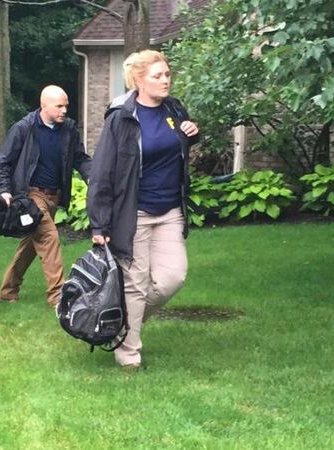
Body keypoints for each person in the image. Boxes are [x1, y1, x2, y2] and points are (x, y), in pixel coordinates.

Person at [86, 50, 200, 370]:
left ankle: (117, 323)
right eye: (157, 76)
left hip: (170, 211)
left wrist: (192, 133)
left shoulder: (174, 109)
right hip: (133, 214)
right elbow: (102, 171)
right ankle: (129, 354)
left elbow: (177, 144)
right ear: (138, 80)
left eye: (167, 74)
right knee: (134, 285)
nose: (166, 80)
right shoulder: (121, 117)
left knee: (172, 278)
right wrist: (99, 224)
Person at [0, 85, 91, 308]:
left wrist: (92, 176)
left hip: (53, 196)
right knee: (49, 237)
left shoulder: (68, 129)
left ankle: (8, 290)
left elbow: (80, 158)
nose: (64, 110)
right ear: (43, 106)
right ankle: (58, 296)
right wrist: (5, 189)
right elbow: (4, 162)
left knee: (30, 244)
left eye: (66, 106)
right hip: (30, 195)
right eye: (59, 106)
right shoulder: (24, 128)